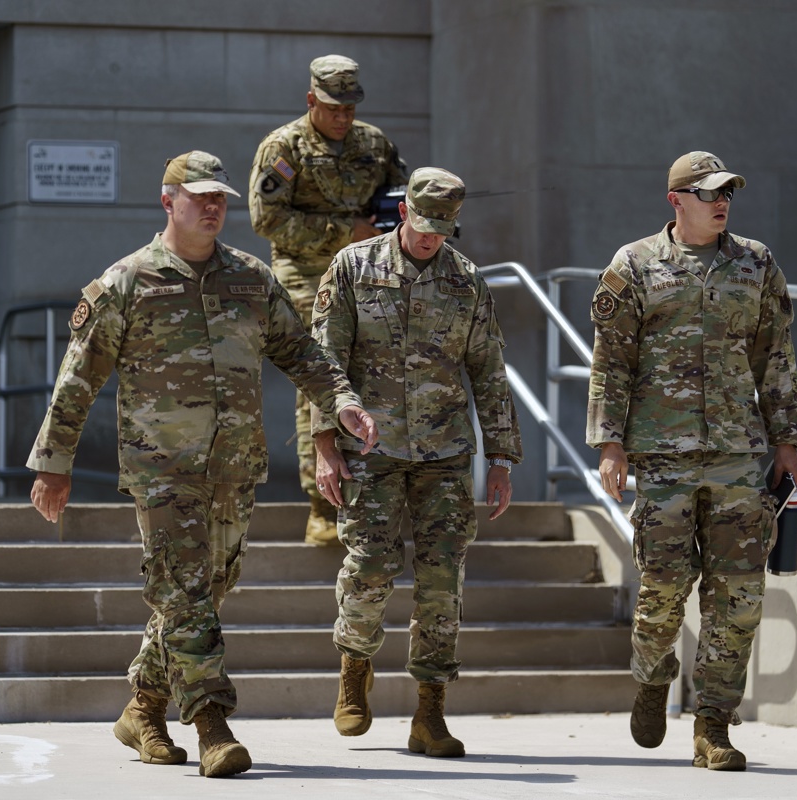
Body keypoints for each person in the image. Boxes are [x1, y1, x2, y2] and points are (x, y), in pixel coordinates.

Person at [26, 150, 378, 779]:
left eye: (220, 198)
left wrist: (343, 402)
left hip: (234, 467)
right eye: (200, 197)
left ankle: (143, 705)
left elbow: (303, 352)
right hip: (162, 470)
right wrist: (54, 462)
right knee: (186, 591)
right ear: (169, 202)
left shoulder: (250, 277)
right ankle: (212, 724)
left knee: (206, 591)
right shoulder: (127, 282)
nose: (214, 207)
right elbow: (77, 378)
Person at [586, 151, 797, 771]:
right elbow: (612, 363)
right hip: (662, 456)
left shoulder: (755, 263)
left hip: (739, 454)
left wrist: (787, 440)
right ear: (675, 199)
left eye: (728, 191)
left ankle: (713, 724)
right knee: (662, 590)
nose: (722, 201)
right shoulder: (633, 266)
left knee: (739, 594)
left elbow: (776, 358)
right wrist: (610, 443)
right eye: (709, 192)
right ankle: (653, 679)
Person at [311, 167, 521, 758]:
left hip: (446, 452)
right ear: (404, 213)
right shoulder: (354, 267)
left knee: (441, 583)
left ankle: (430, 712)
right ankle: (355, 666)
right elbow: (324, 362)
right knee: (371, 568)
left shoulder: (467, 282)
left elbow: (488, 370)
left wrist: (502, 457)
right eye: (424, 225)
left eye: (443, 229)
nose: (431, 238)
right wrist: (324, 448)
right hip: (370, 450)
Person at [249, 54, 409, 547]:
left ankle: (378, 494)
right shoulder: (284, 146)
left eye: (350, 107)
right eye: (333, 107)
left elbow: (400, 198)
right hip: (305, 277)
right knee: (320, 380)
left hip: (365, 275)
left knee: (376, 374)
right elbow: (267, 219)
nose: (343, 117)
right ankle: (322, 505)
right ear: (311, 100)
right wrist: (344, 231)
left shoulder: (374, 144)